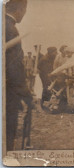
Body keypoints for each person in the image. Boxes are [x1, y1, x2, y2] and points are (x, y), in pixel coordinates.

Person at [5, 0, 32, 151]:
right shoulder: (11, 29)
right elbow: (14, 66)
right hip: (8, 89)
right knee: (8, 128)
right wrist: (25, 92)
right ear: (21, 10)